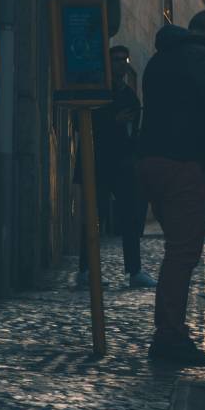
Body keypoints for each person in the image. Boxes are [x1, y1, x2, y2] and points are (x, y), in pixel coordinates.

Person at [135, 8, 205, 367]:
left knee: (177, 251)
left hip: (150, 160)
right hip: (182, 163)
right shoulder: (201, 58)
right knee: (183, 254)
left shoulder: (159, 59)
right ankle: (169, 336)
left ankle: (169, 332)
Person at [75, 45, 154, 290]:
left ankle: (134, 270)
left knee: (130, 218)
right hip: (96, 163)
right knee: (93, 217)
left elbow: (134, 132)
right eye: (117, 59)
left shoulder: (130, 96)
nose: (121, 63)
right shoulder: (95, 91)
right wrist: (113, 121)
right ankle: (86, 271)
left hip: (122, 165)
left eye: (124, 60)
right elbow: (82, 123)